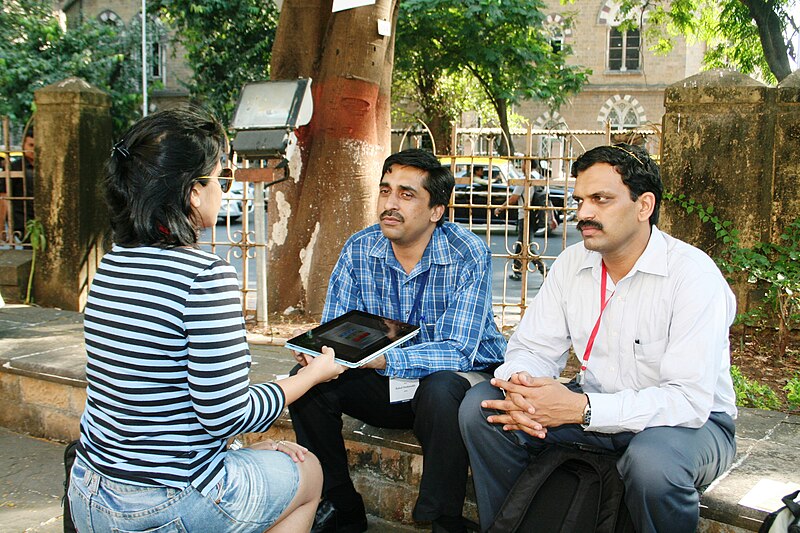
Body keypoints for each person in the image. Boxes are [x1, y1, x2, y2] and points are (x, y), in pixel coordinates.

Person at [67, 106, 346, 533]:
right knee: (308, 473)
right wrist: (315, 375)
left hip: (90, 493)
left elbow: (158, 399)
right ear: (193, 191)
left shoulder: (113, 264)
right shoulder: (203, 275)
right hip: (163, 502)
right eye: (219, 178)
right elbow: (227, 415)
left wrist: (235, 452)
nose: (221, 190)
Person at [460, 143, 738, 533]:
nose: (583, 213)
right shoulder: (573, 264)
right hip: (595, 405)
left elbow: (688, 401)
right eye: (579, 199)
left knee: (653, 465)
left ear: (644, 206)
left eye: (601, 199)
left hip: (688, 424)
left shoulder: (693, 277)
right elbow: (533, 347)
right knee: (483, 410)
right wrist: (522, 386)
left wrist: (581, 410)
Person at [289, 149, 507, 533]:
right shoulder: (360, 248)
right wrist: (318, 353)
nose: (389, 204)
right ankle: (341, 506)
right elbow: (337, 331)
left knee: (441, 390)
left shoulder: (466, 253)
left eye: (406, 195)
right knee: (307, 384)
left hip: (454, 381)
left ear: (436, 210)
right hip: (384, 384)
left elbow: (458, 349)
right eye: (385, 190)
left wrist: (381, 360)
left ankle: (443, 519)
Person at [493, 161, 555, 280]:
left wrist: (500, 208)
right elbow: (547, 197)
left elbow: (514, 198)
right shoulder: (540, 178)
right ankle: (517, 270)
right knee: (521, 244)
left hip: (525, 215)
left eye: (522, 163)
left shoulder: (524, 179)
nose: (521, 166)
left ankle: (545, 270)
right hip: (537, 215)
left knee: (526, 246)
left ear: (527, 164)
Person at [0, 126, 34, 241]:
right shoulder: (14, 169)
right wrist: (2, 230)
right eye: (31, 145)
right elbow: (4, 198)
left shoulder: (48, 167)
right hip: (22, 221)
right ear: (23, 145)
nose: (33, 150)